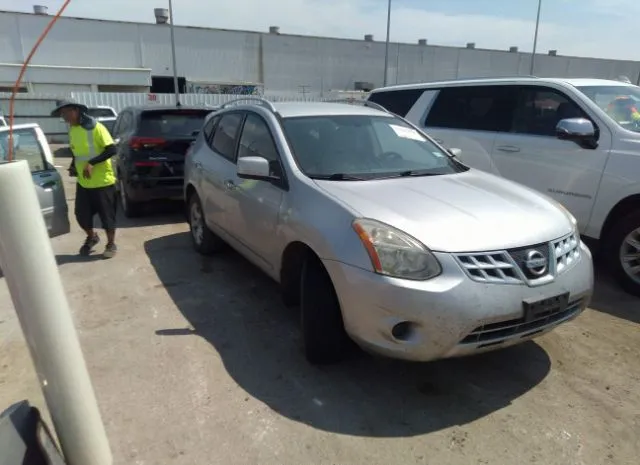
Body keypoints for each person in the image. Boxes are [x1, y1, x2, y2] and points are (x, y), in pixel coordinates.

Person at [51, 100, 119, 258]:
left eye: (65, 113)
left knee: (107, 217)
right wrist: (74, 165)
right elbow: (77, 153)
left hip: (103, 182)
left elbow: (112, 149)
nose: (64, 117)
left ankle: (111, 244)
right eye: (62, 114)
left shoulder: (96, 127)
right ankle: (92, 237)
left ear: (75, 111)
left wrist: (91, 163)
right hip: (84, 182)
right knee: (81, 215)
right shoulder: (73, 130)